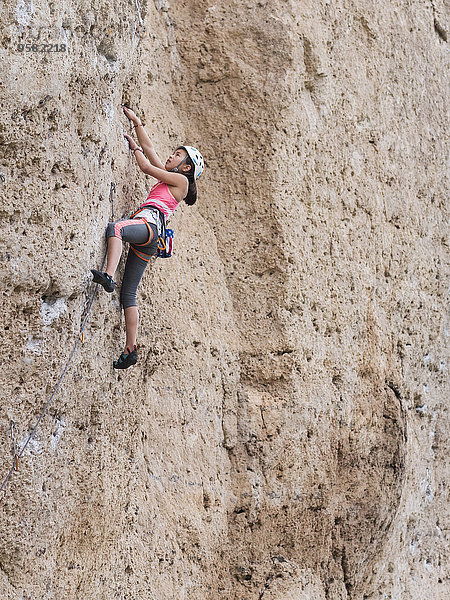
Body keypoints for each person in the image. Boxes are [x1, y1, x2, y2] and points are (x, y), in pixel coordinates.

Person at [91, 105, 204, 369]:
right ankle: (131, 349)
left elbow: (145, 165)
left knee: (117, 229)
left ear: (186, 167)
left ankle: (108, 275)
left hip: (149, 225)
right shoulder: (173, 179)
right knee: (128, 294)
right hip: (152, 236)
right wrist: (137, 124)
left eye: (176, 156)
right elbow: (152, 152)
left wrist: (134, 149)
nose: (170, 156)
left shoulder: (182, 183)